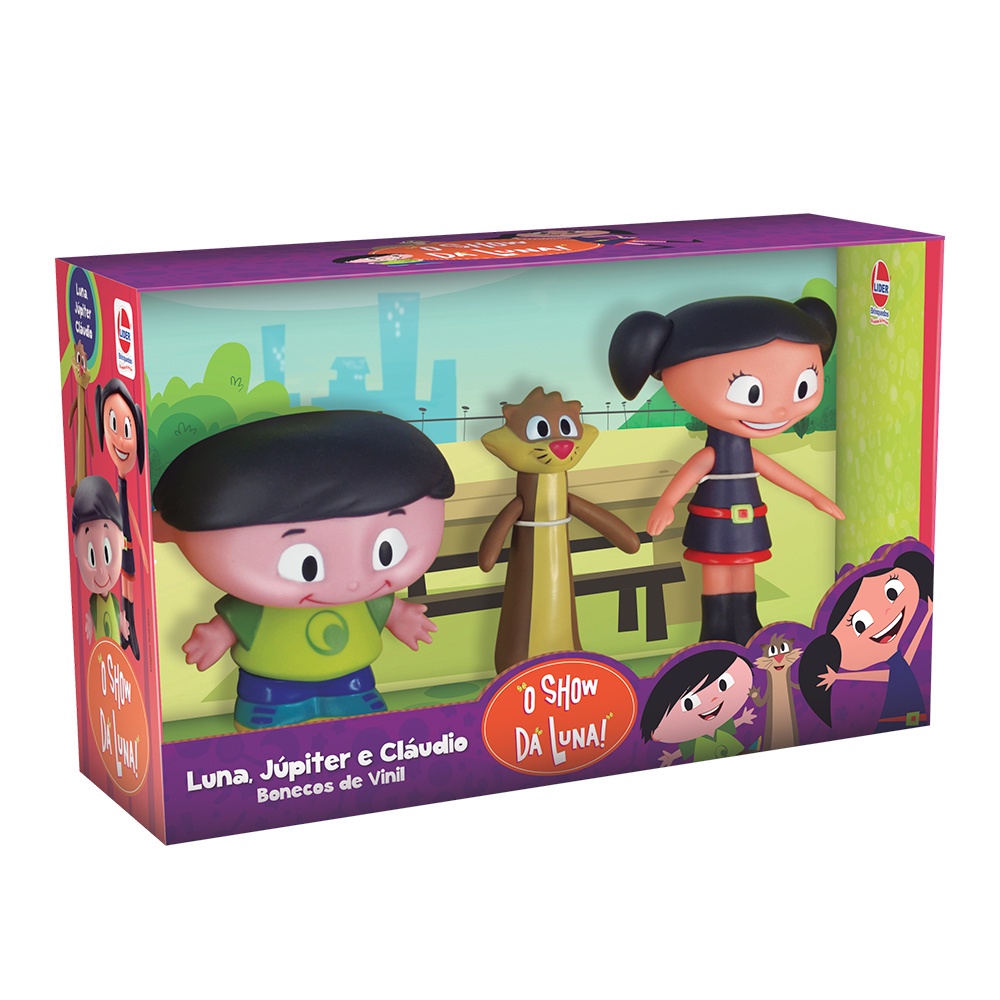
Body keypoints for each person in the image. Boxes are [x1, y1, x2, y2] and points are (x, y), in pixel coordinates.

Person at [152, 410, 455, 731]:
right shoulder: (256, 607)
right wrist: (216, 635)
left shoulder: (369, 599)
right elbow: (232, 622)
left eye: (385, 551)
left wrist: (400, 615)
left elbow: (385, 607)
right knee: (270, 733)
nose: (352, 583)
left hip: (352, 679)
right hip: (271, 688)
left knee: (360, 725)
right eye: (306, 565)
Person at [609, 295, 843, 644]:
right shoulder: (712, 455)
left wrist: (814, 496)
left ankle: (747, 622)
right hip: (715, 517)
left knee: (745, 568)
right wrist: (665, 504)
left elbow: (777, 473)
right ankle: (715, 628)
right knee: (717, 570)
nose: (779, 410)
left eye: (802, 387)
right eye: (751, 392)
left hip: (746, 519)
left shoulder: (746, 455)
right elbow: (691, 472)